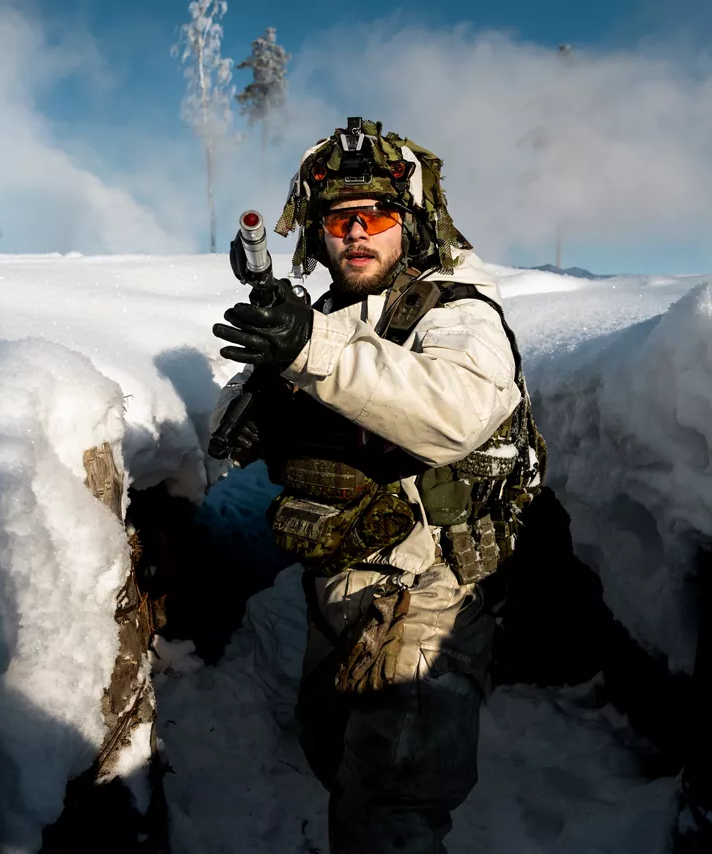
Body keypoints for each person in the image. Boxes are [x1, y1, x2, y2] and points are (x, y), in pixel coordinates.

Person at [210, 117, 544, 854]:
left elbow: (454, 412)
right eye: (339, 219)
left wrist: (310, 350)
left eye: (378, 216)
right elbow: (228, 434)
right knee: (331, 752)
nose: (357, 232)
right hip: (339, 580)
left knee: (388, 811)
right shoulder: (327, 315)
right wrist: (270, 388)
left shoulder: (457, 312)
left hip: (428, 590)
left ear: (411, 224)